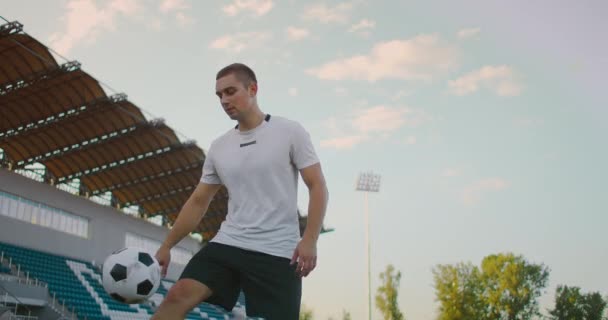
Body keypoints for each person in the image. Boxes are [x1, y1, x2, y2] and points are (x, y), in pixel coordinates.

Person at [150, 63, 329, 320]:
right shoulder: (219, 147)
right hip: (230, 242)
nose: (224, 100)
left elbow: (317, 185)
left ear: (253, 89)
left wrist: (310, 239)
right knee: (178, 294)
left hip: (277, 251)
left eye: (230, 91)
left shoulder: (289, 132)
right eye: (219, 95)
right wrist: (167, 245)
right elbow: (199, 200)